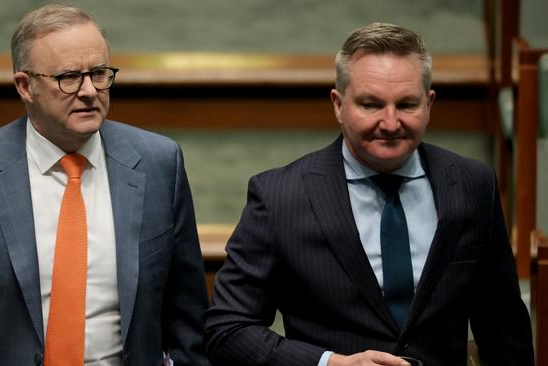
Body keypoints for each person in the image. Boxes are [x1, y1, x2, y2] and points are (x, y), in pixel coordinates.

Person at [205, 23, 534, 366]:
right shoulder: (279, 197)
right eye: (371, 104)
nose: (390, 123)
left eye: (406, 105)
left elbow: (503, 328)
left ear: (429, 103)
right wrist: (331, 364)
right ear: (338, 104)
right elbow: (228, 329)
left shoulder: (473, 184)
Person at [0, 4, 209, 366]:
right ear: (25, 86)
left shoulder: (158, 163)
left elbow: (190, 328)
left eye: (99, 73)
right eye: (69, 77)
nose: (90, 91)